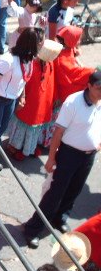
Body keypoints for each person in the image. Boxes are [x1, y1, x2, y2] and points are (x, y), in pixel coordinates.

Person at [23, 70, 101, 249]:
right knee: (55, 193)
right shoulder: (73, 102)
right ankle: (33, 228)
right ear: (89, 86)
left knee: (75, 189)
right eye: (99, 88)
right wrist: (51, 158)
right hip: (69, 154)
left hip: (88, 156)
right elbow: (58, 132)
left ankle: (60, 218)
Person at [0, 28, 42, 189]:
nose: (42, 44)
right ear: (32, 44)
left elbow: (23, 80)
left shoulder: (29, 59)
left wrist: (22, 96)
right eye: (41, 41)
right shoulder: (8, 60)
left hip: (10, 101)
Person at [6, 39, 62, 160]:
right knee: (23, 125)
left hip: (43, 101)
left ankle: (29, 148)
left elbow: (52, 82)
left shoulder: (49, 64)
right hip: (30, 101)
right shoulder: (32, 64)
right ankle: (14, 147)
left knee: (35, 128)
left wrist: (54, 97)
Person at [53, 25, 95, 107]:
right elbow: (75, 74)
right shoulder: (61, 59)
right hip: (66, 90)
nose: (79, 41)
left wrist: (76, 51)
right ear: (70, 40)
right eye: (78, 39)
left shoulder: (67, 47)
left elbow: (73, 51)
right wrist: (92, 71)